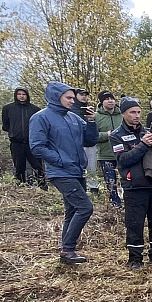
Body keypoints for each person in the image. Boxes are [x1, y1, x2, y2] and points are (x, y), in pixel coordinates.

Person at [29, 82, 99, 264]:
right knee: (85, 208)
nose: (72, 101)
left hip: (77, 170)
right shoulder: (41, 118)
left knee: (72, 210)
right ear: (55, 97)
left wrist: (91, 122)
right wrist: (60, 160)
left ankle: (66, 251)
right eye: (68, 97)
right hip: (60, 172)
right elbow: (37, 147)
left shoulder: (74, 118)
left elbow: (91, 140)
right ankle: (68, 249)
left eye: (72, 98)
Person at [110, 97, 152, 269]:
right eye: (132, 112)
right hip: (134, 187)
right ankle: (135, 259)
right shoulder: (116, 136)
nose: (136, 115)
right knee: (135, 224)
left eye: (138, 112)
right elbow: (123, 160)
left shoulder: (147, 131)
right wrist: (143, 145)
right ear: (123, 114)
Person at [1, 87, 45, 187]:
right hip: (16, 142)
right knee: (19, 166)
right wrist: (14, 132)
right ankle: (20, 186)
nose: (21, 96)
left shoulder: (35, 109)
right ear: (16, 95)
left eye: (23, 94)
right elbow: (6, 125)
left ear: (27, 95)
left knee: (37, 166)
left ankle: (42, 186)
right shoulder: (8, 108)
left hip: (32, 142)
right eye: (19, 94)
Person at [94, 92, 123, 208]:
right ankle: (116, 204)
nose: (110, 101)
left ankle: (129, 201)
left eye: (112, 98)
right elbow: (92, 136)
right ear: (101, 102)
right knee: (111, 182)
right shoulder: (96, 116)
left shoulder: (122, 114)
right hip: (105, 154)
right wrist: (107, 135)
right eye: (107, 99)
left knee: (127, 179)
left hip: (123, 154)